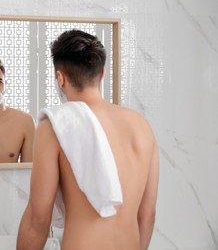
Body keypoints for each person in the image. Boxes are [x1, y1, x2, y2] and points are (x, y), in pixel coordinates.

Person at [17, 30, 159, 250]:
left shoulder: (55, 127)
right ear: (101, 74)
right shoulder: (142, 127)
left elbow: (38, 219)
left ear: (60, 79)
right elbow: (147, 214)